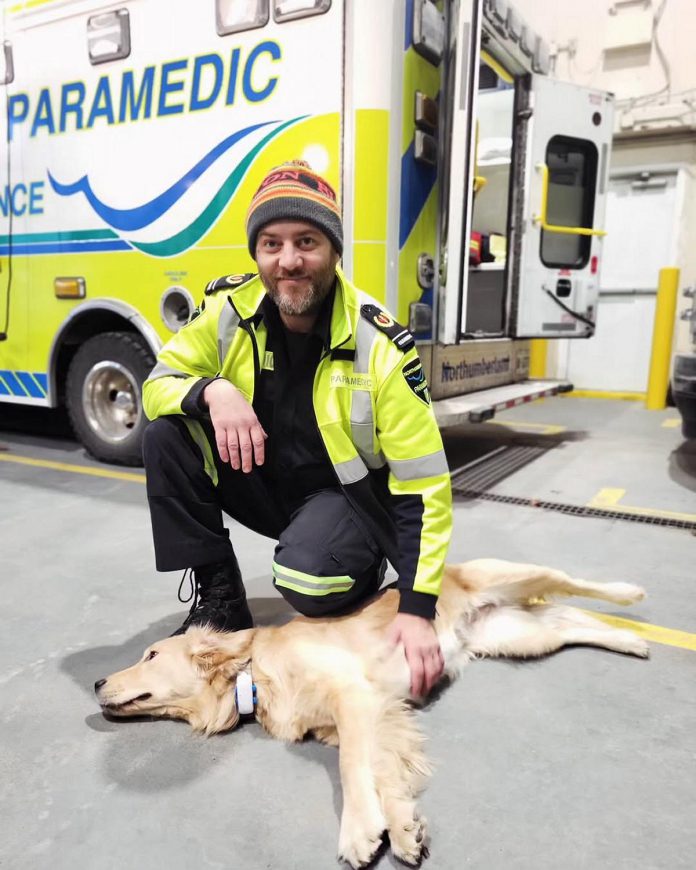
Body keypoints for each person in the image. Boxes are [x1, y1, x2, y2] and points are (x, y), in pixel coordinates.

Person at [141, 160, 452, 697]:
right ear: (257, 253)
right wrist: (211, 392)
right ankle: (221, 598)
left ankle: (356, 559)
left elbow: (422, 482)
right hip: (263, 482)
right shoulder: (226, 309)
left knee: (308, 582)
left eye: (306, 241)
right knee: (165, 436)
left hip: (343, 501)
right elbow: (156, 386)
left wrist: (417, 605)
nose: (289, 260)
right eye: (271, 243)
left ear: (334, 251)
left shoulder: (381, 345)